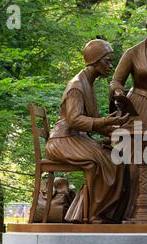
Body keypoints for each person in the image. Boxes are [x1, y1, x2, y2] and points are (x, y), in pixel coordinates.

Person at [46, 39, 129, 223]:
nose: (110, 66)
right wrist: (107, 121)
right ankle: (92, 213)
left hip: (77, 138)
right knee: (105, 160)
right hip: (63, 140)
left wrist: (119, 129)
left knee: (116, 159)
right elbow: (74, 120)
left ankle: (93, 212)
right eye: (107, 61)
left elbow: (96, 122)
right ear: (94, 60)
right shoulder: (76, 85)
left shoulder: (88, 84)